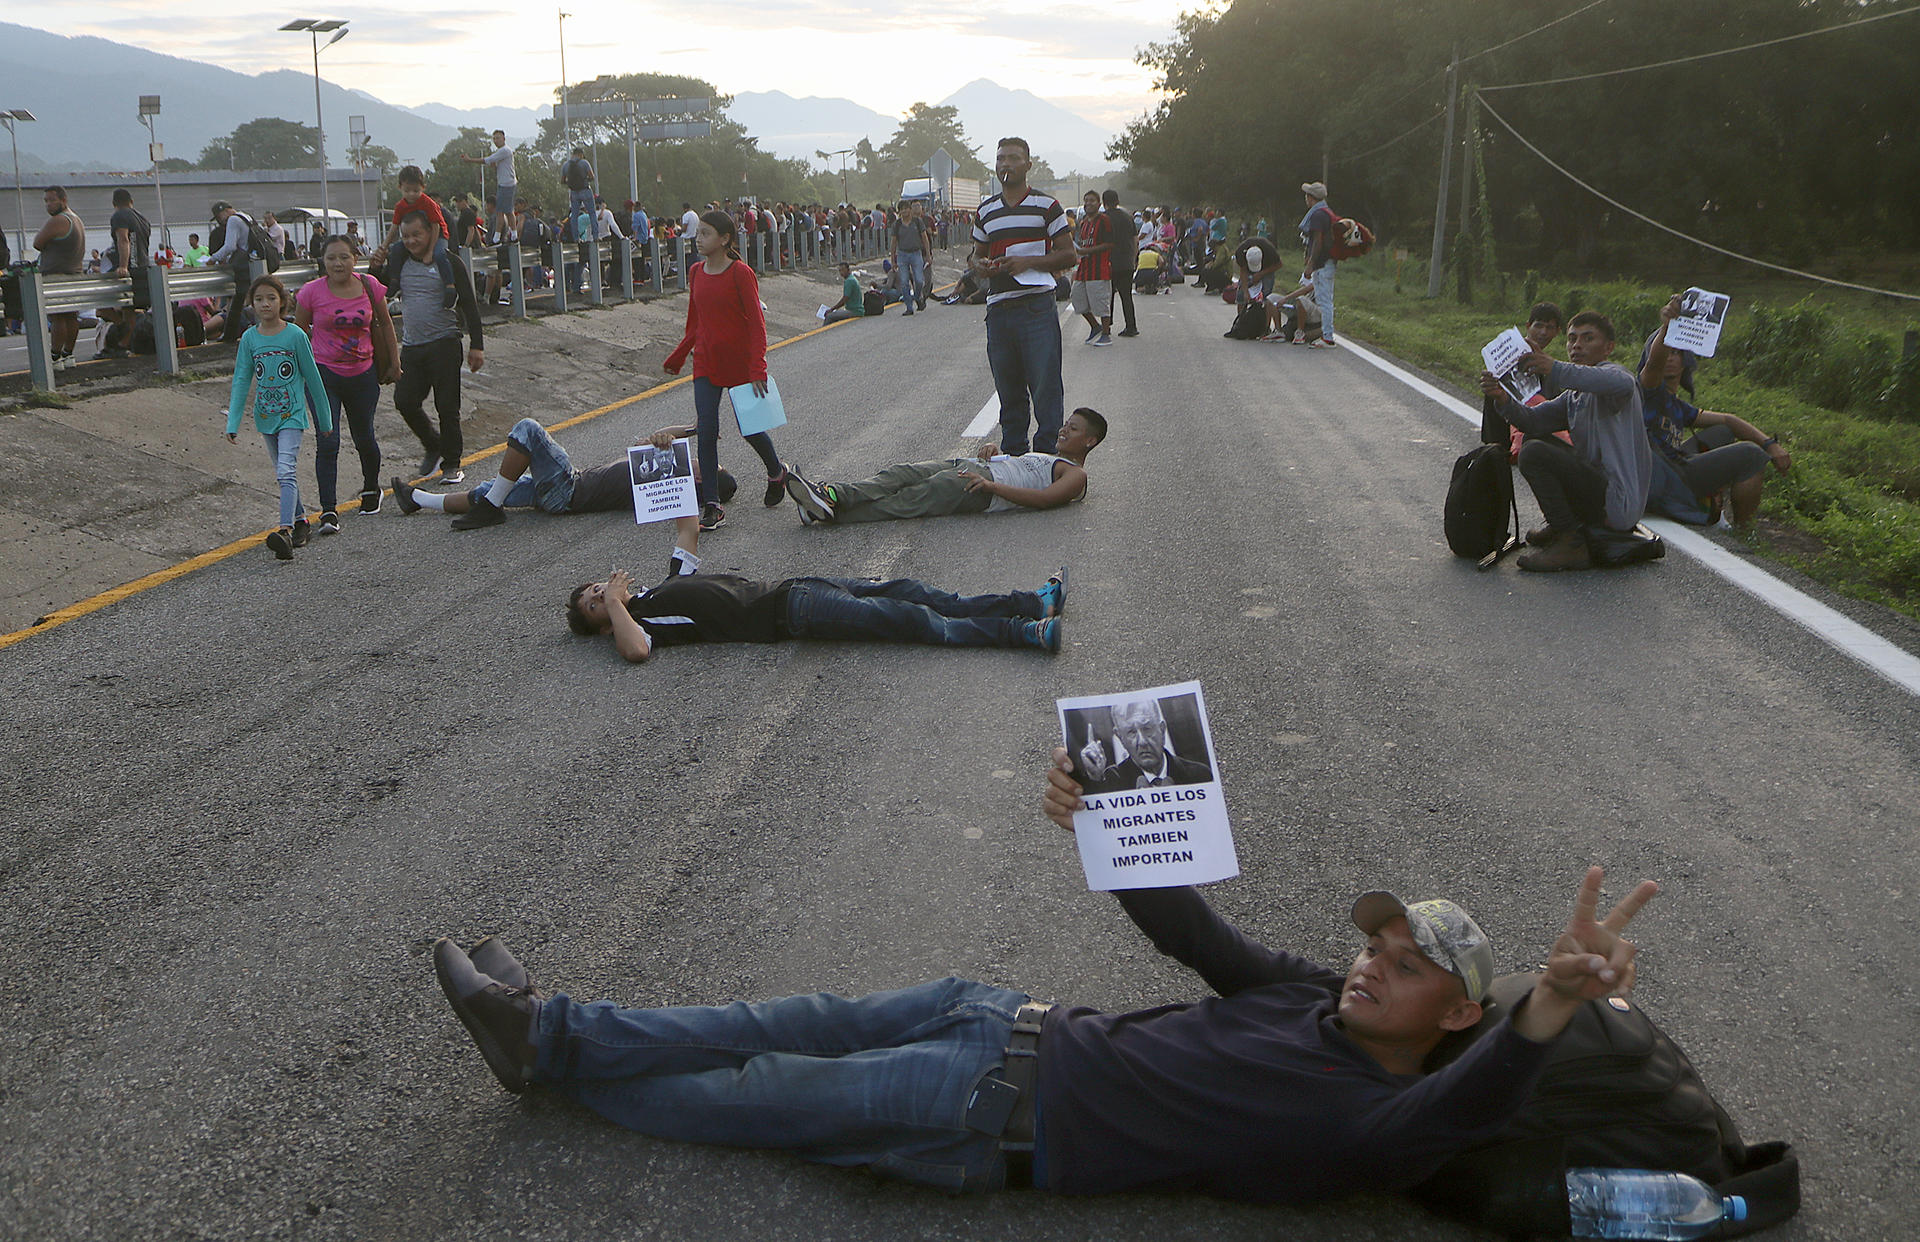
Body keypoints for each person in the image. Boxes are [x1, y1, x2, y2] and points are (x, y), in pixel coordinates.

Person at [432, 747, 1658, 1201]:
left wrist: (1551, 1002)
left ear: (1457, 1015)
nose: (1369, 968)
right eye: (1373, 947)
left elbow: (1476, 1100)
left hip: (983, 1117)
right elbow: (1199, 939)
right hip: (996, 1017)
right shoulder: (1306, 997)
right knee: (773, 1019)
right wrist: (1102, 825)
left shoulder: (1385, 1123)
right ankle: (554, 1030)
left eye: (1403, 969)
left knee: (757, 1093)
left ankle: (549, 1062)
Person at [389, 416, 728, 577]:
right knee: (491, 489)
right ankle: (419, 500)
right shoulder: (660, 475)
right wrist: (692, 429)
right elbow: (647, 441)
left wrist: (673, 447)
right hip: (562, 492)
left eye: (711, 464)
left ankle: (490, 508)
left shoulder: (666, 483)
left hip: (568, 489)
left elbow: (650, 452)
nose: (702, 458)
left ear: (701, 478)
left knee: (528, 430)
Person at [561, 565, 1068, 662]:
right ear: (601, 623)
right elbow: (635, 652)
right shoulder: (642, 625)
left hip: (796, 586)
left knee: (915, 591)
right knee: (911, 619)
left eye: (596, 588)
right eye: (594, 602)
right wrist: (615, 604)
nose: (601, 592)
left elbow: (688, 527)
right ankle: (1024, 633)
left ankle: (1030, 601)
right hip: (791, 613)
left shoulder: (652, 592)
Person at [1477, 311, 1653, 572]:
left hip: (1617, 501)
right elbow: (1532, 421)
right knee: (1534, 440)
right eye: (1572, 339)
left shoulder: (1616, 379)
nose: (1577, 345)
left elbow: (1622, 383)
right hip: (1596, 491)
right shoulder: (1574, 396)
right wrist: (1502, 398)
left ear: (1608, 348)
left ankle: (1571, 542)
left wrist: (1554, 368)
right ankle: (1562, 525)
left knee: (1535, 453)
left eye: (1587, 338)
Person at [662, 209, 791, 532]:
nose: (698, 239)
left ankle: (776, 472)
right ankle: (712, 505)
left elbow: (757, 325)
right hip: (706, 362)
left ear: (724, 239)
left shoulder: (740, 274)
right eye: (698, 233)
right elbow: (695, 322)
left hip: (739, 362)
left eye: (705, 233)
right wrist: (679, 356)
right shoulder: (696, 272)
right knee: (706, 430)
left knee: (750, 428)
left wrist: (757, 366)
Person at [782, 407, 1104, 526]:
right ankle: (831, 495)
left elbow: (1044, 500)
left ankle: (828, 512)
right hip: (976, 466)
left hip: (981, 487)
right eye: (1066, 424)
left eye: (1073, 429)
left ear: (1089, 441)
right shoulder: (1049, 456)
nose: (1064, 430)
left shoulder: (1076, 474)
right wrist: (997, 453)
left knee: (909, 499)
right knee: (901, 473)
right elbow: (1022, 471)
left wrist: (991, 486)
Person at [1638, 294, 1790, 527]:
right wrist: (1668, 328)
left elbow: (1728, 420)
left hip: (1675, 463)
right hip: (1664, 475)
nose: (1669, 358)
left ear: (1686, 359)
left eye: (1676, 352)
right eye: (1666, 350)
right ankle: (1743, 531)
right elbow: (1654, 363)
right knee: (1751, 455)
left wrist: (1770, 444)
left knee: (1722, 431)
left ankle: (1710, 494)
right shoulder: (1648, 390)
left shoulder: (1677, 405)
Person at [971, 138, 1076, 455]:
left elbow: (1069, 255)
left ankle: (1045, 456)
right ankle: (1014, 457)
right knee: (1009, 390)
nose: (1006, 164)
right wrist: (981, 266)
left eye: (1014, 158)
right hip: (999, 309)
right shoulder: (986, 211)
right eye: (1001, 158)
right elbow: (975, 255)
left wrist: (1027, 262)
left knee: (1045, 387)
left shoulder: (1047, 207)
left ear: (1028, 165)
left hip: (1036, 307)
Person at [223, 275, 332, 560]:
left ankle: (284, 531)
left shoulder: (295, 335)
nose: (265, 304)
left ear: (282, 302)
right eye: (259, 299)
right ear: (252, 303)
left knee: (286, 470)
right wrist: (233, 422)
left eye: (271, 298)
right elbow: (241, 380)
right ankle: (301, 521)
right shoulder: (250, 338)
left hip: (292, 415)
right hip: (265, 416)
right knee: (283, 473)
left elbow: (313, 378)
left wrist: (325, 420)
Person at [295, 234, 396, 525]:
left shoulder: (370, 286)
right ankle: (328, 509)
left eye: (344, 257)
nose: (337, 263)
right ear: (322, 261)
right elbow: (298, 334)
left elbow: (386, 323)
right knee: (328, 441)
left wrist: (395, 362)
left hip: (363, 375)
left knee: (364, 437)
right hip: (323, 376)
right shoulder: (310, 292)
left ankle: (371, 488)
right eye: (331, 258)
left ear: (355, 258)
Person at [388, 209, 486, 485]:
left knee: (447, 407)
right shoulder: (400, 262)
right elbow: (381, 286)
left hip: (444, 344)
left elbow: (470, 305)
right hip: (412, 346)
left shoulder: (449, 262)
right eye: (405, 236)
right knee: (404, 401)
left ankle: (452, 464)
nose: (411, 241)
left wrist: (477, 346)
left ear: (431, 231)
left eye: (416, 234)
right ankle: (433, 444)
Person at [1074, 697, 1213, 793]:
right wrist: (1095, 777)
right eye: (1131, 732)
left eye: (1147, 729)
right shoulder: (1110, 781)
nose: (1142, 742)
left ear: (1162, 729)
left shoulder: (1200, 774)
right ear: (1120, 737)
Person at [33, 186, 87, 369]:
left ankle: (55, 357)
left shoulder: (58, 220)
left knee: (58, 317)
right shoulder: (76, 219)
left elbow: (37, 243)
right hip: (75, 274)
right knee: (72, 316)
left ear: (63, 200)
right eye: (46, 201)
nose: (48, 205)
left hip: (57, 276)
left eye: (52, 200)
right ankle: (68, 354)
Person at [372, 167, 450, 271]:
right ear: (400, 187)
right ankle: (395, 278)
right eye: (407, 191)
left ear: (423, 188)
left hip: (438, 236)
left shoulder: (429, 204)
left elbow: (436, 227)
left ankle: (448, 280)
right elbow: (394, 227)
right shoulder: (400, 206)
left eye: (416, 191)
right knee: (396, 250)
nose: (411, 194)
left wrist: (430, 251)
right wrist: (383, 247)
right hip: (415, 236)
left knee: (440, 255)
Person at [206, 201, 260, 343]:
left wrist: (213, 258)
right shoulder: (246, 217)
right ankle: (250, 330)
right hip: (255, 263)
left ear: (224, 211)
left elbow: (230, 246)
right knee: (250, 299)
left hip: (243, 266)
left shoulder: (233, 220)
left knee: (237, 301)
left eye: (219, 217)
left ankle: (231, 334)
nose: (220, 221)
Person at [1071, 190, 1115, 347]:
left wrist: (1088, 251)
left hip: (1099, 269)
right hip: (1084, 268)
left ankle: (1106, 334)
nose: (1088, 203)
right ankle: (1095, 327)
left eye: (1092, 200)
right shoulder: (1083, 222)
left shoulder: (1104, 220)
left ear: (1099, 204)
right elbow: (1082, 244)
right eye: (1086, 200)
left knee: (1101, 303)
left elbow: (1110, 244)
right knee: (1077, 298)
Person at [1297, 182, 1338, 349]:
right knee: (1324, 299)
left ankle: (1327, 337)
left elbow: (1317, 241)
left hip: (1323, 263)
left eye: (1307, 195)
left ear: (1311, 197)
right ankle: (1325, 334)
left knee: (1324, 300)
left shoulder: (1318, 215)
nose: (1305, 198)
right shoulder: (1326, 212)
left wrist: (1311, 264)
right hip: (1327, 262)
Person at [1102, 190, 1138, 338]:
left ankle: (1107, 326)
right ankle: (1131, 326)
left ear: (1104, 202)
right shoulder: (1128, 217)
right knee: (1126, 296)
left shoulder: (1103, 218)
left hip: (1109, 262)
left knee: (1107, 295)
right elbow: (1135, 239)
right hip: (1126, 262)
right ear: (1117, 201)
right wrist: (1134, 258)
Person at [890, 200, 932, 315]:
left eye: (906, 208)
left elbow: (925, 239)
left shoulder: (917, 222)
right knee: (904, 282)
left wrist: (928, 255)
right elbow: (893, 243)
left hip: (916, 253)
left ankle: (917, 297)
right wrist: (893, 260)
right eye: (902, 209)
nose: (904, 211)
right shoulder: (897, 225)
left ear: (910, 209)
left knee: (919, 280)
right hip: (902, 255)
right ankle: (909, 307)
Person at [463, 130, 517, 218]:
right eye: (494, 139)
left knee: (506, 211)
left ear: (503, 139)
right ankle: (501, 227)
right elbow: (496, 165)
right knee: (502, 210)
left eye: (498, 138)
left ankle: (507, 227)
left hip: (508, 184)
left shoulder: (505, 150)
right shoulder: (500, 151)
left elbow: (487, 160)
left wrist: (470, 160)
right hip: (502, 183)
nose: (496, 141)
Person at [562, 147, 596, 229]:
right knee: (592, 213)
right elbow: (592, 177)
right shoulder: (584, 163)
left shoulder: (566, 165)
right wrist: (585, 180)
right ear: (580, 154)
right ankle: (595, 234)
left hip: (573, 192)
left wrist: (571, 183)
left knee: (574, 215)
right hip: (585, 190)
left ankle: (575, 235)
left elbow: (562, 181)